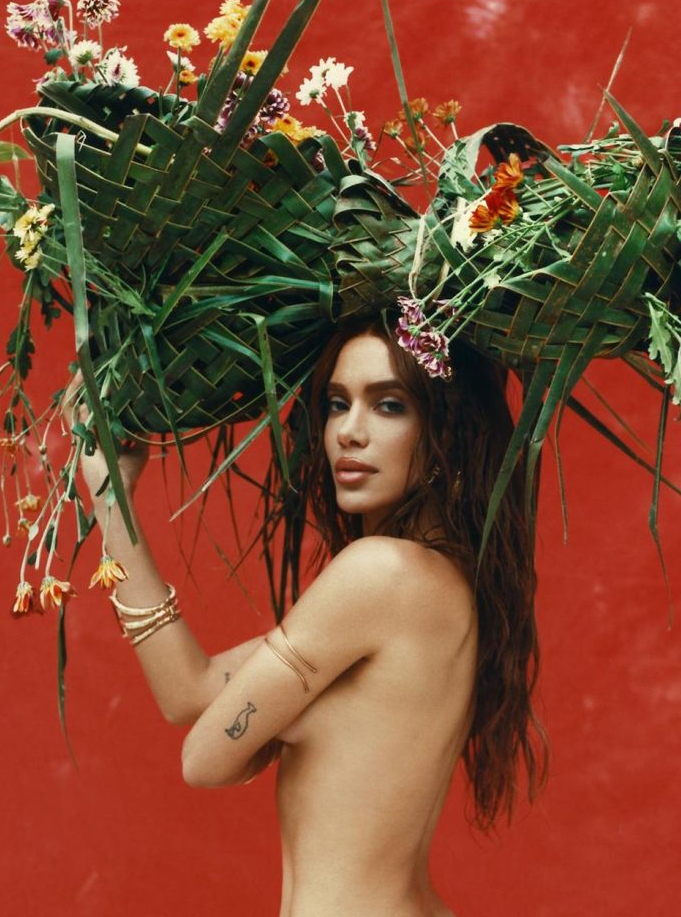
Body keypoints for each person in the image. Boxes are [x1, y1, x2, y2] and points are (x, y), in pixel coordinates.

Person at [70, 313, 547, 917]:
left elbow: (203, 757)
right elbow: (188, 692)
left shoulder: (380, 574)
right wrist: (111, 496)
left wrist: (282, 713)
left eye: (389, 405)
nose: (350, 431)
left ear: (445, 429)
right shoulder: (441, 582)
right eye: (337, 404)